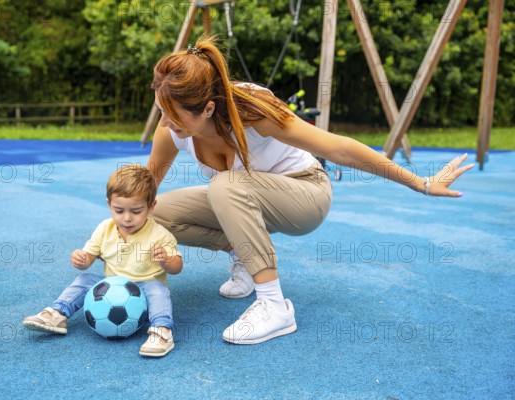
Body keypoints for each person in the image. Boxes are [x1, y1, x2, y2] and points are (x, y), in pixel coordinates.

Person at [146, 36, 473, 345]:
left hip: (305, 194)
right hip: (244, 200)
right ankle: (244, 257)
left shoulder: (250, 110)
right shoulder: (170, 130)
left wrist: (422, 183)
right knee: (155, 212)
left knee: (225, 185)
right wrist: (117, 235)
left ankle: (274, 306)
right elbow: (143, 192)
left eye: (174, 116)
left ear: (207, 109)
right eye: (162, 110)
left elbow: (340, 149)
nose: (165, 122)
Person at [23, 165, 183, 357]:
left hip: (144, 287)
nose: (127, 218)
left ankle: (162, 330)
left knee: (159, 290)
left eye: (136, 211)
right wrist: (81, 260)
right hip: (110, 285)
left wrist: (166, 260)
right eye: (119, 210)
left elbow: (177, 268)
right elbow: (88, 259)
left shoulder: (160, 235)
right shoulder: (104, 229)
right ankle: (58, 313)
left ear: (151, 207)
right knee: (84, 279)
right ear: (109, 205)